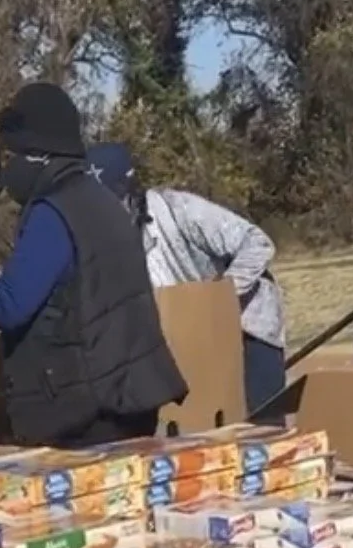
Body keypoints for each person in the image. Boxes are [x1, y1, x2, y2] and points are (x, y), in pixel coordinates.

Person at [0, 82, 186, 450]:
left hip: (86, 409)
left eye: (11, 154)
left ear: (37, 154)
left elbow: (8, 305)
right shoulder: (101, 200)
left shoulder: (54, 211)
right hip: (131, 392)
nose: (7, 166)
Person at [90, 142, 287, 416]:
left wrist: (219, 296)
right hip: (190, 337)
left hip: (248, 325)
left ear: (129, 190)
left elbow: (257, 243)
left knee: (263, 424)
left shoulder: (180, 208)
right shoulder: (105, 243)